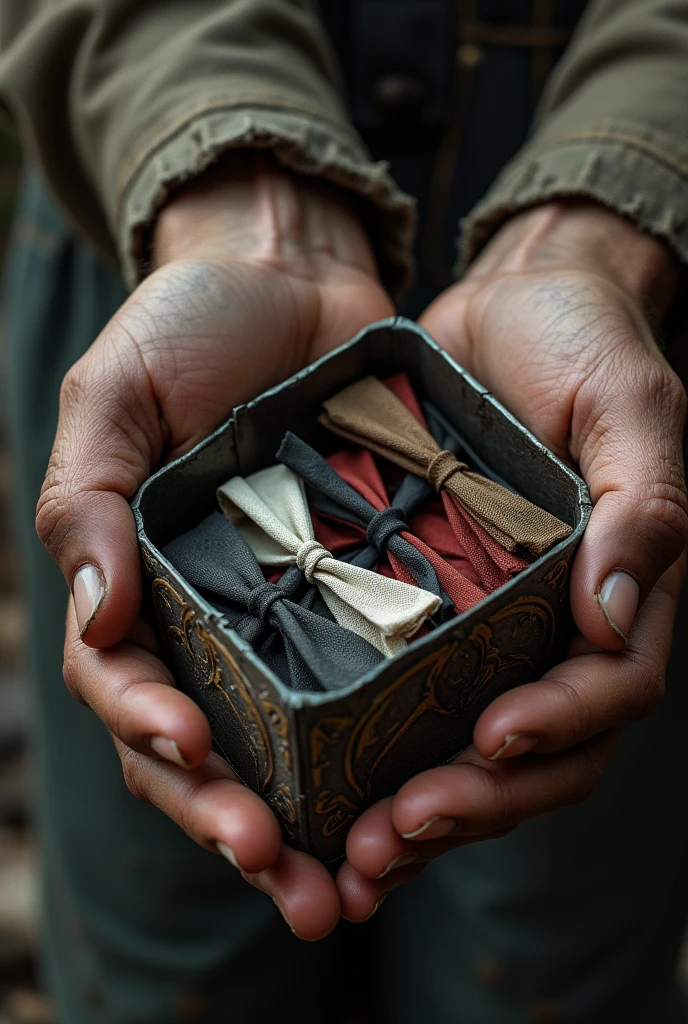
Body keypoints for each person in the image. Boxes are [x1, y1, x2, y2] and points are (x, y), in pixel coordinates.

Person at [2, 0, 688, 1020]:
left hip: (633, 293)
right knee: (159, 979)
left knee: (546, 983)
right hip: (149, 178)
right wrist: (222, 160)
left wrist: (626, 186)